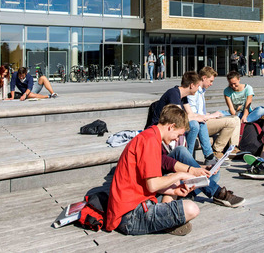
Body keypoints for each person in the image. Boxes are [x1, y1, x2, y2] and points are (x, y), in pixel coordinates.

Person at [151, 72, 245, 208]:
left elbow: (188, 115)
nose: (199, 88)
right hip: (161, 153)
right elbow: (179, 120)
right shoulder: (173, 94)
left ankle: (194, 189)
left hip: (167, 153)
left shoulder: (182, 97)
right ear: (192, 85)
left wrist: (200, 168)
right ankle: (218, 193)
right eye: (198, 85)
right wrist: (191, 169)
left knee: (212, 175)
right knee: (184, 149)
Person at [105, 105, 199, 236]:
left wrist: (174, 190)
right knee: (191, 209)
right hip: (129, 216)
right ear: (171, 126)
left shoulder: (150, 136)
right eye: (178, 135)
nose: (177, 139)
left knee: (173, 181)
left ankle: (166, 220)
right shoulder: (150, 141)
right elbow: (153, 185)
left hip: (135, 203)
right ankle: (166, 221)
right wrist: (181, 174)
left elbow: (148, 184)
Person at [184, 67, 241, 163]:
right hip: (197, 123)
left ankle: (233, 148)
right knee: (231, 121)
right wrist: (210, 116)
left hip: (202, 120)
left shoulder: (201, 91)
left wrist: (208, 114)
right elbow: (194, 115)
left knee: (235, 118)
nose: (211, 84)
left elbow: (199, 112)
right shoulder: (194, 91)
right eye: (210, 81)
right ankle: (216, 151)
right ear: (204, 78)